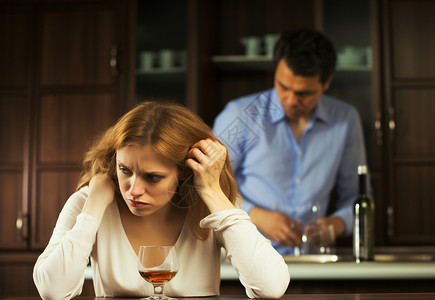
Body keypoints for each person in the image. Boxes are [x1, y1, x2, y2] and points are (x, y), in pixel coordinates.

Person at [33, 101, 290, 299]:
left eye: (153, 177)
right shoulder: (89, 202)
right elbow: (53, 291)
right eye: (125, 170)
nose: (133, 190)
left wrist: (212, 191)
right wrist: (92, 209)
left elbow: (271, 287)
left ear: (185, 172)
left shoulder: (214, 204)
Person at [213, 29, 372, 255]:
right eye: (283, 86)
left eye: (303, 93)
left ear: (326, 83)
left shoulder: (345, 120)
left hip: (314, 262)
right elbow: (206, 187)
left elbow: (358, 198)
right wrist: (256, 216)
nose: (290, 99)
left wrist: (335, 225)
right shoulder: (241, 116)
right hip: (245, 260)